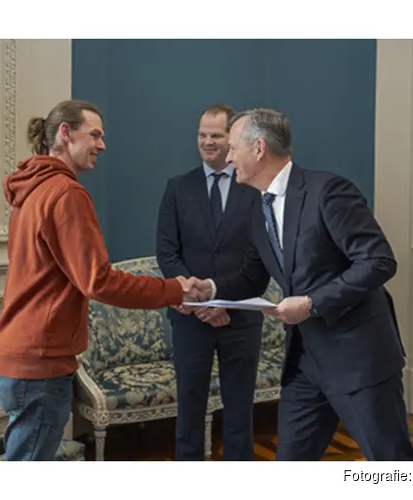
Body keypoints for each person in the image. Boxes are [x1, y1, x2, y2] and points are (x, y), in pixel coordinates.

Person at [191, 108, 413, 461]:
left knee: (391, 463)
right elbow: (252, 277)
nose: (228, 155)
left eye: (233, 147)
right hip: (305, 365)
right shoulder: (257, 209)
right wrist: (208, 289)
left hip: (359, 359)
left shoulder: (327, 190)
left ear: (259, 148)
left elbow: (378, 261)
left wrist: (311, 303)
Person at [0, 99, 206, 461]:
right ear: (64, 133)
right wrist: (174, 289)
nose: (102, 145)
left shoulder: (29, 191)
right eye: (94, 134)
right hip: (41, 359)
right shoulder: (66, 193)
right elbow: (99, 281)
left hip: (20, 352)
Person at [156, 104, 269, 461]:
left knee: (240, 413)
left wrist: (222, 299)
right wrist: (202, 304)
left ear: (232, 138)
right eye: (202, 134)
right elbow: (167, 254)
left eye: (216, 135)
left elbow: (259, 257)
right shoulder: (177, 188)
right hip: (191, 320)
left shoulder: (253, 189)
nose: (207, 142)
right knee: (189, 410)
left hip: (241, 318)